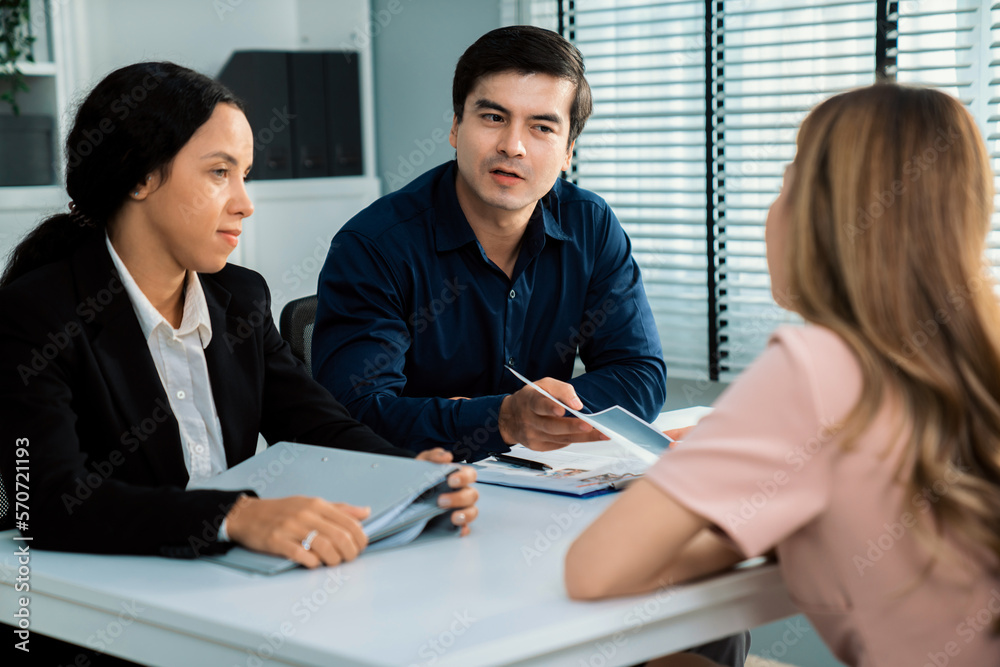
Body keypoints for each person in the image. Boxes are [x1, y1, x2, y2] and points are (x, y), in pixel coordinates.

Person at [565, 83, 1000, 667]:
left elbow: (593, 570)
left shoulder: (819, 367)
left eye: (786, 183)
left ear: (827, 217)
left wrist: (753, 529)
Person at [0, 62, 478, 572]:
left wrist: (405, 474)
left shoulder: (240, 298)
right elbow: (44, 504)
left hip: (233, 582)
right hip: (111, 600)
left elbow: (318, 425)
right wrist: (235, 517)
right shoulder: (34, 315)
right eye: (219, 173)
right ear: (139, 175)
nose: (245, 204)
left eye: (244, 175)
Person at [312, 25, 668, 462]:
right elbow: (353, 415)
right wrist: (501, 419)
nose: (512, 146)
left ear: (568, 150)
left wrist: (539, 413)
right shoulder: (374, 246)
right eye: (494, 118)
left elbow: (640, 376)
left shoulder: (590, 226)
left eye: (541, 127)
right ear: (456, 127)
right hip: (416, 493)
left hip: (541, 483)